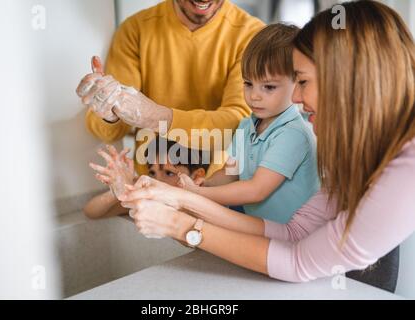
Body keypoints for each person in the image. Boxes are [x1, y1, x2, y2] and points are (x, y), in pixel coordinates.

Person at [114, 1, 415, 292]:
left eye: (303, 81)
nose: (296, 98)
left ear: (346, 81)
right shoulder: (360, 159)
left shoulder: (407, 169)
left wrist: (181, 224)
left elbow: (297, 260)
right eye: (249, 84)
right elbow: (294, 234)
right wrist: (180, 200)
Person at [76, 0, 265, 178]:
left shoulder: (253, 36)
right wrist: (110, 111)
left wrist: (156, 117)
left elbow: (240, 124)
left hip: (218, 190)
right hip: (151, 185)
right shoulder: (135, 30)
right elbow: (106, 131)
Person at [178, 24, 319, 223]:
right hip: (263, 230)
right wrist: (206, 184)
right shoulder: (246, 126)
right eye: (248, 83)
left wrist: (197, 195)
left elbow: (256, 190)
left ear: (298, 83)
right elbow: (231, 172)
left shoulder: (293, 134)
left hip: (296, 238)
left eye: (268, 87)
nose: (254, 96)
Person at [85, 137, 208, 219]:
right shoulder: (152, 200)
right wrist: (117, 192)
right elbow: (91, 212)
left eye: (169, 173)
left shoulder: (205, 206)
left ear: (197, 175)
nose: (157, 181)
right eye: (152, 173)